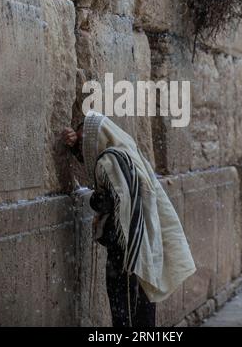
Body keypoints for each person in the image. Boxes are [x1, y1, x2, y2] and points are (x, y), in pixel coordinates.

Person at [62, 110, 196, 327]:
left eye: (84, 138)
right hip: (142, 240)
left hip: (123, 249)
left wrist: (96, 201)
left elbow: (114, 201)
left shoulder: (109, 160)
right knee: (142, 302)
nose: (83, 145)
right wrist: (76, 147)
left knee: (123, 306)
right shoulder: (126, 151)